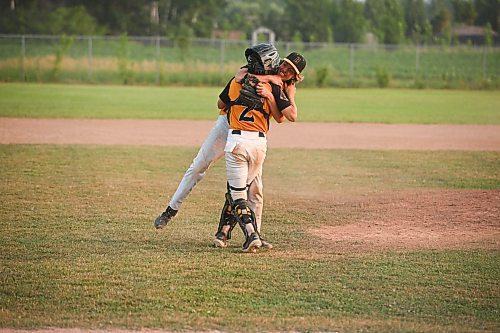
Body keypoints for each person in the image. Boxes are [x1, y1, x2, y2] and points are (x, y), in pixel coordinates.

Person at [154, 46, 307, 248]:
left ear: (295, 77)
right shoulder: (263, 70)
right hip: (227, 124)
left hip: (251, 132)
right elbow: (240, 74)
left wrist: (285, 91)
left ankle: (252, 234)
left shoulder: (283, 86)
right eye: (284, 64)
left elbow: (284, 117)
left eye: (290, 70)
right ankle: (170, 210)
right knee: (199, 166)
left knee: (255, 189)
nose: (284, 70)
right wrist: (269, 80)